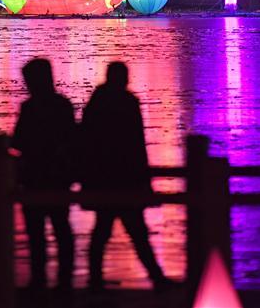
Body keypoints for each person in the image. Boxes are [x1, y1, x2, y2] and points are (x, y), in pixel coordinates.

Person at [80, 62, 174, 293]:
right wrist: (145, 180)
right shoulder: (129, 103)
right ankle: (156, 278)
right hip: (127, 178)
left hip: (103, 179)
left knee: (102, 231)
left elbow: (86, 141)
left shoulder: (97, 102)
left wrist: (87, 176)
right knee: (137, 232)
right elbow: (137, 144)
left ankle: (94, 280)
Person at [11, 58, 76, 294]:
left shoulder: (30, 108)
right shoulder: (63, 105)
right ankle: (65, 280)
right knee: (62, 230)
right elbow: (73, 139)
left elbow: (18, 141)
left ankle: (39, 280)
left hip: (34, 179)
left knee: (36, 234)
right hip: (58, 178)